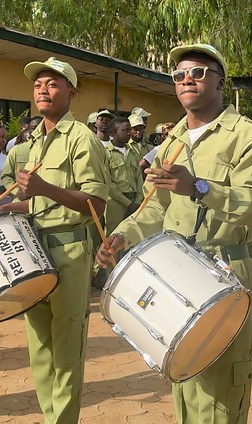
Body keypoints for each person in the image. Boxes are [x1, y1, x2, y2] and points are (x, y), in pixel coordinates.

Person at [97, 43, 252, 424]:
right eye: (179, 75)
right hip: (176, 272)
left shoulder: (243, 133)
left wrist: (199, 187)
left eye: (198, 73)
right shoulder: (172, 142)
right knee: (185, 383)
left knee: (219, 396)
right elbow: (154, 206)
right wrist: (122, 235)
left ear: (220, 82)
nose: (187, 80)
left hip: (226, 270)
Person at [0, 56, 109, 423]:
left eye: (52, 84)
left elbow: (96, 204)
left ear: (71, 91)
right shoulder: (35, 140)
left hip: (69, 249)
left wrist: (44, 187)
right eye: (38, 84)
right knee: (40, 347)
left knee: (67, 346)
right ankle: (51, 416)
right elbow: (37, 200)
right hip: (34, 250)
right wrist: (10, 209)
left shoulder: (82, 139)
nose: (43, 89)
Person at [105, 116, 143, 238]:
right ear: (114, 132)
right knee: (113, 239)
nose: (129, 133)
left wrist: (137, 201)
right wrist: (127, 203)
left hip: (134, 202)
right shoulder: (105, 153)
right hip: (116, 204)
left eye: (129, 130)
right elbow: (108, 183)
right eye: (125, 130)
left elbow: (139, 178)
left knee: (131, 238)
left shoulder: (133, 152)